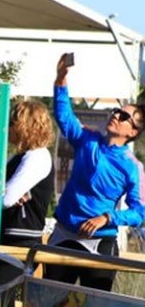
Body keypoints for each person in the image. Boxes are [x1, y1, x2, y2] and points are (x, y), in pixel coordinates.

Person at [43, 54, 145, 289]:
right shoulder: (87, 140)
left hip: (98, 242)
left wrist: (108, 218)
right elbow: (64, 117)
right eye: (117, 111)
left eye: (124, 116)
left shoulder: (132, 167)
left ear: (133, 132)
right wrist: (60, 80)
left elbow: (139, 212)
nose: (116, 116)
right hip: (64, 234)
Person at [0, 100, 55, 307]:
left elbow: (5, 198)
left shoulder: (37, 157)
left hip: (21, 240)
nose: (9, 128)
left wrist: (5, 192)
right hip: (7, 236)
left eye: (14, 122)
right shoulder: (20, 156)